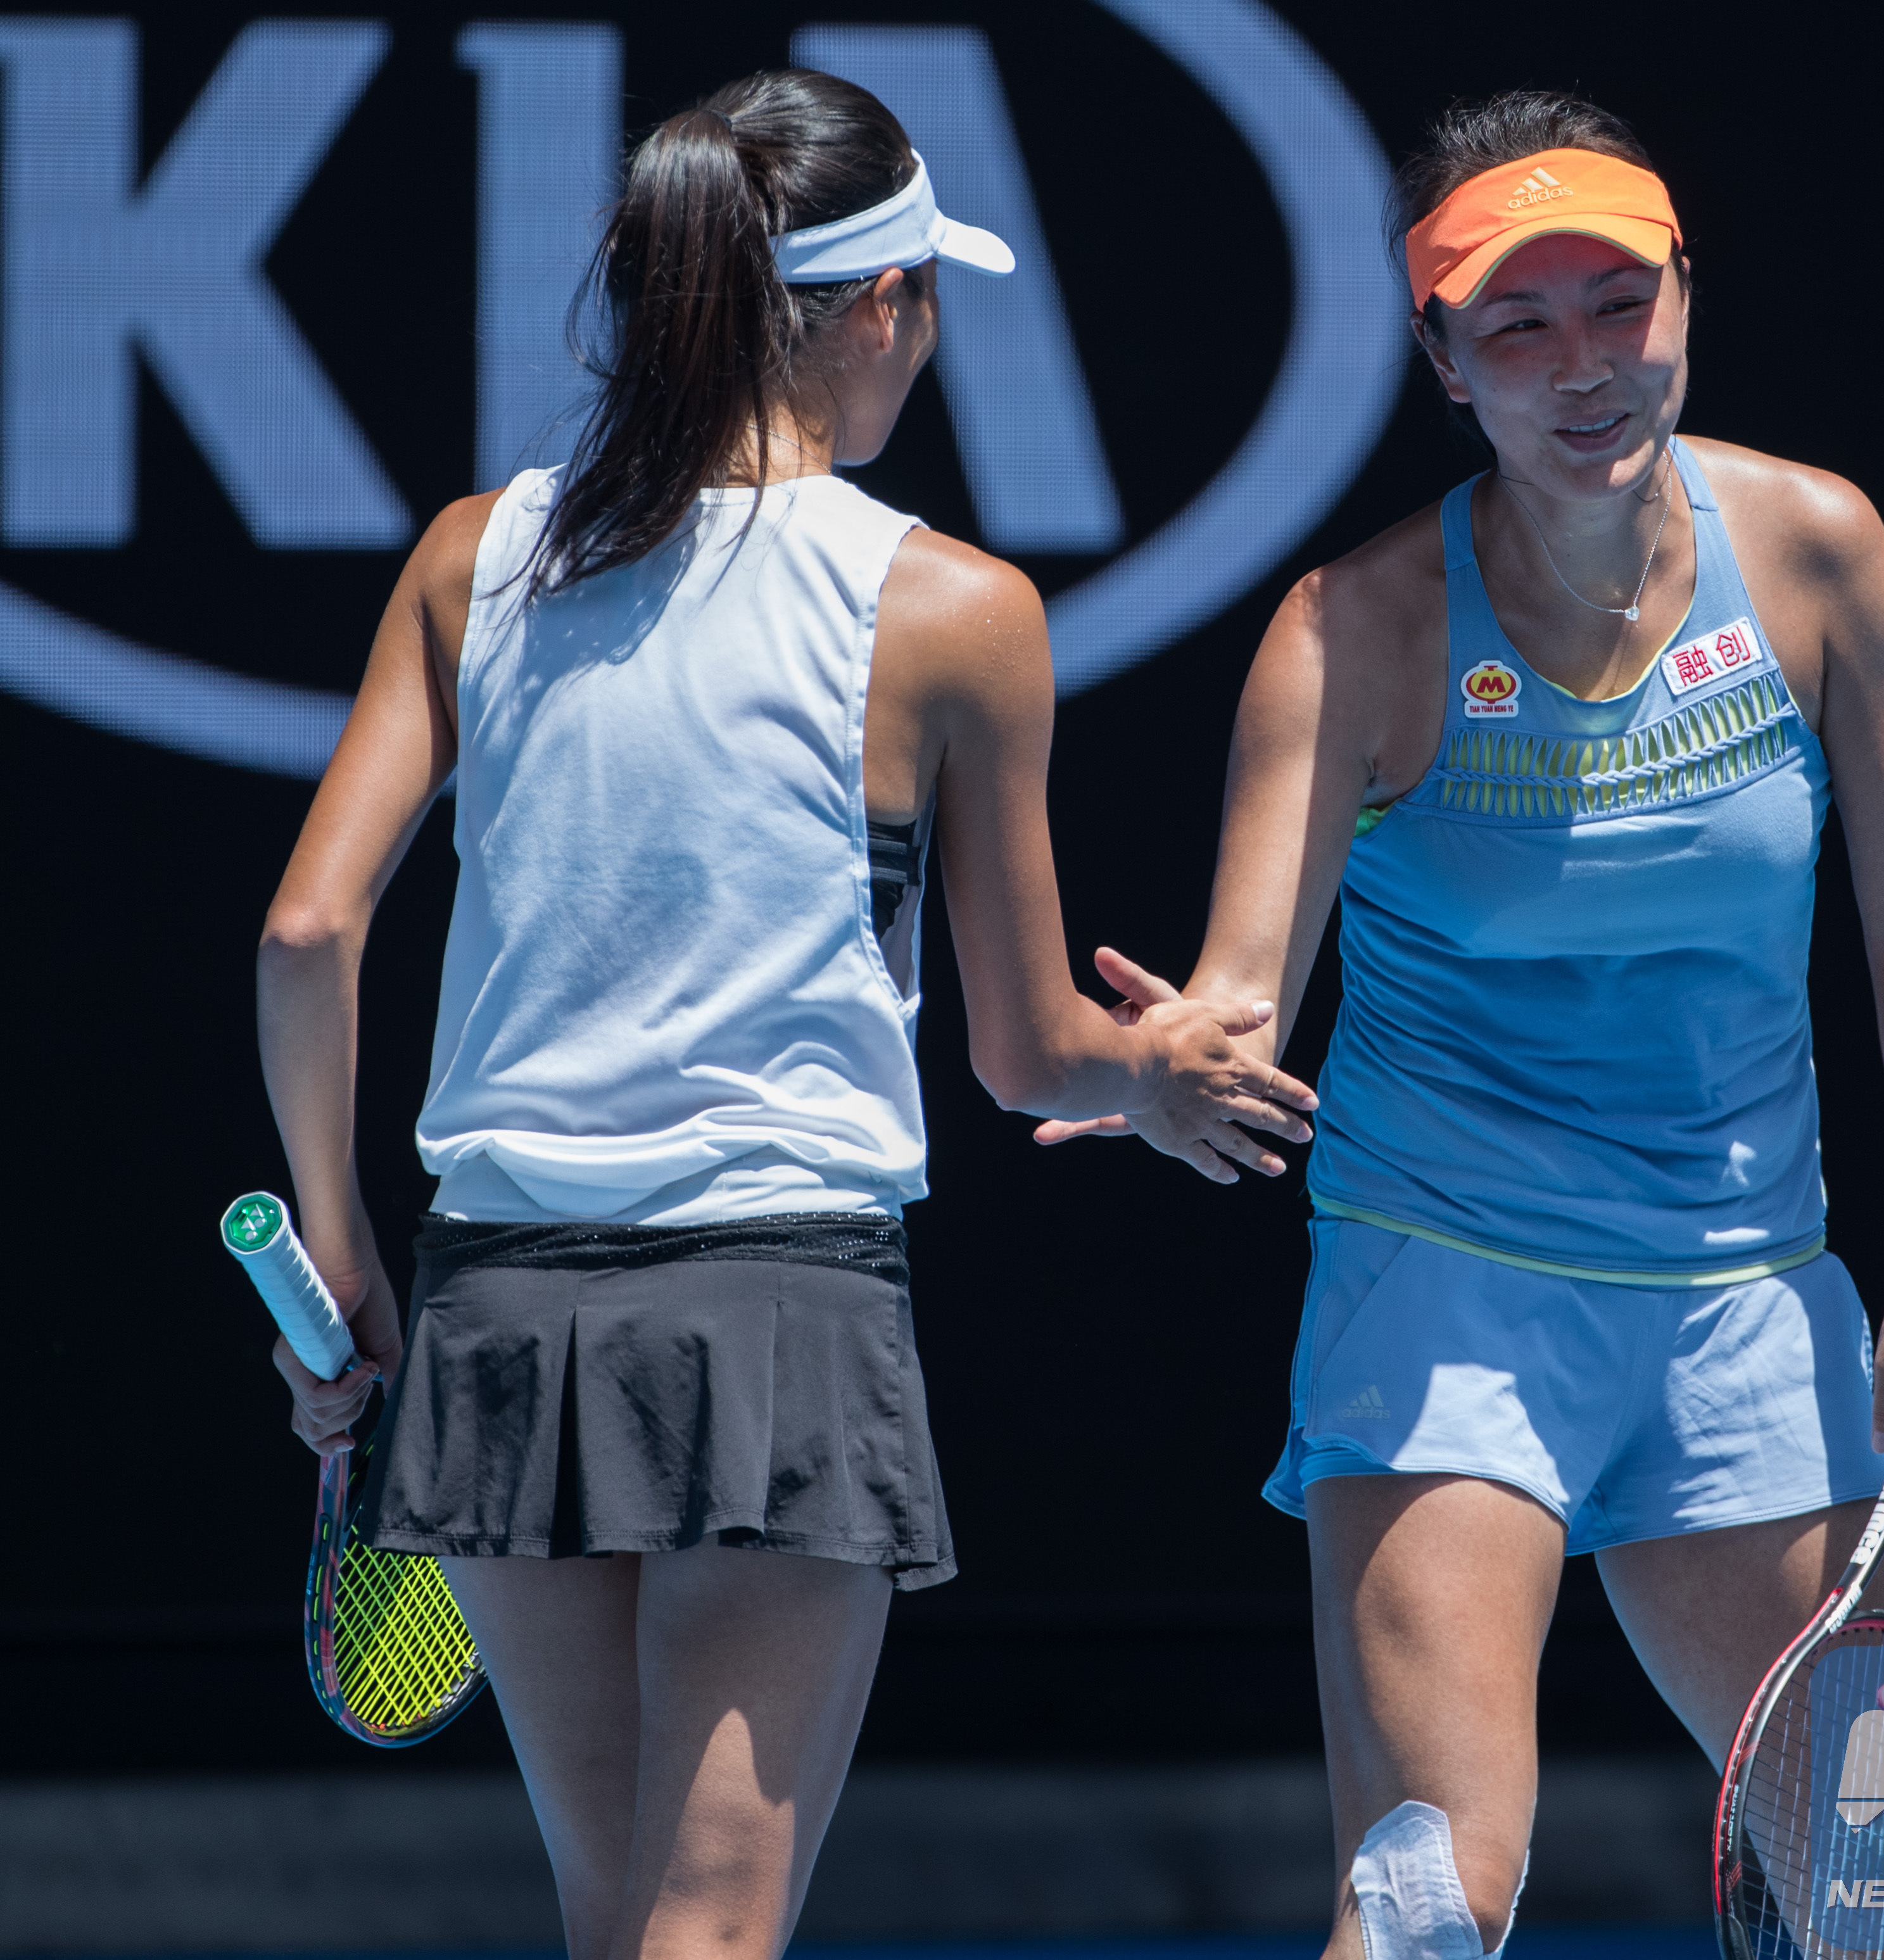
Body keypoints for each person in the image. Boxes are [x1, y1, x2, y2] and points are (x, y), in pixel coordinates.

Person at [255, 71, 1315, 1960]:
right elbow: (1026, 1054)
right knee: (712, 1933)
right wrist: (1155, 1074)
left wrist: (338, 1255)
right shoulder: (957, 611)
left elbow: (306, 929)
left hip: (497, 1306)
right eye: (931, 299)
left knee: (621, 1927)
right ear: (883, 307)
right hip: (774, 1309)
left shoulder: (469, 558)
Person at [1037, 91, 1884, 1958]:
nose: (1584, 364)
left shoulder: (1818, 548)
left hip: (1748, 1294)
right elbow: (1242, 985)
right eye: (1520, 325)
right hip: (1446, 1298)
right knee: (1426, 1904)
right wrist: (1169, 1069)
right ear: (1442, 360)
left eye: (1619, 304)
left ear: (1685, 296)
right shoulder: (1353, 631)